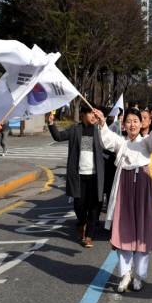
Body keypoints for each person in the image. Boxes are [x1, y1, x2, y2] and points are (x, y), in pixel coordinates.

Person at [94, 103, 152, 293]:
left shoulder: (146, 142)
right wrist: (102, 122)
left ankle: (139, 276)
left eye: (136, 121)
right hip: (124, 189)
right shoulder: (121, 142)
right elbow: (107, 140)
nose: (132, 124)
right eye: (129, 121)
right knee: (124, 231)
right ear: (124, 125)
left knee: (142, 233)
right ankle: (125, 274)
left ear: (142, 123)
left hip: (143, 189)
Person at [47, 105, 105, 248]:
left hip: (95, 176)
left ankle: (89, 236)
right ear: (83, 115)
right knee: (79, 205)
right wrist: (51, 123)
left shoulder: (101, 131)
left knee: (94, 207)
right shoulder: (75, 130)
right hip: (79, 175)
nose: (93, 116)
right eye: (90, 113)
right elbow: (58, 136)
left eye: (94, 113)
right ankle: (81, 223)